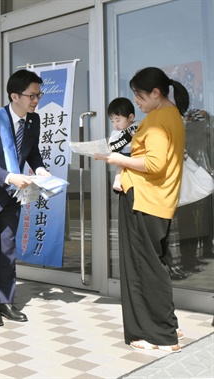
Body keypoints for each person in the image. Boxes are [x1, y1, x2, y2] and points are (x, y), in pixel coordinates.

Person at [95, 67, 189, 353]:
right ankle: (166, 326)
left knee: (144, 268)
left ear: (156, 93)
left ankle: (160, 336)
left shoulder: (159, 119)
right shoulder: (169, 115)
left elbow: (153, 164)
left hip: (145, 199)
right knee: (154, 265)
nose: (136, 101)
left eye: (140, 95)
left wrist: (115, 159)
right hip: (154, 199)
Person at [0, 69, 50, 327]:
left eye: (39, 94)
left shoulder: (33, 121)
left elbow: (32, 151)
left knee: (7, 250)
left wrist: (40, 168)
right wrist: (9, 177)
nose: (36, 100)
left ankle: (6, 302)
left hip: (13, 197)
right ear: (15, 95)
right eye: (32, 95)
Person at [107, 97, 138, 192]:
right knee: (120, 166)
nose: (115, 124)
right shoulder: (116, 133)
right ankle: (117, 181)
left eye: (117, 120)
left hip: (139, 153)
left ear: (130, 117)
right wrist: (126, 138)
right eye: (112, 121)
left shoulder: (139, 124)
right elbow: (112, 148)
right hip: (125, 153)